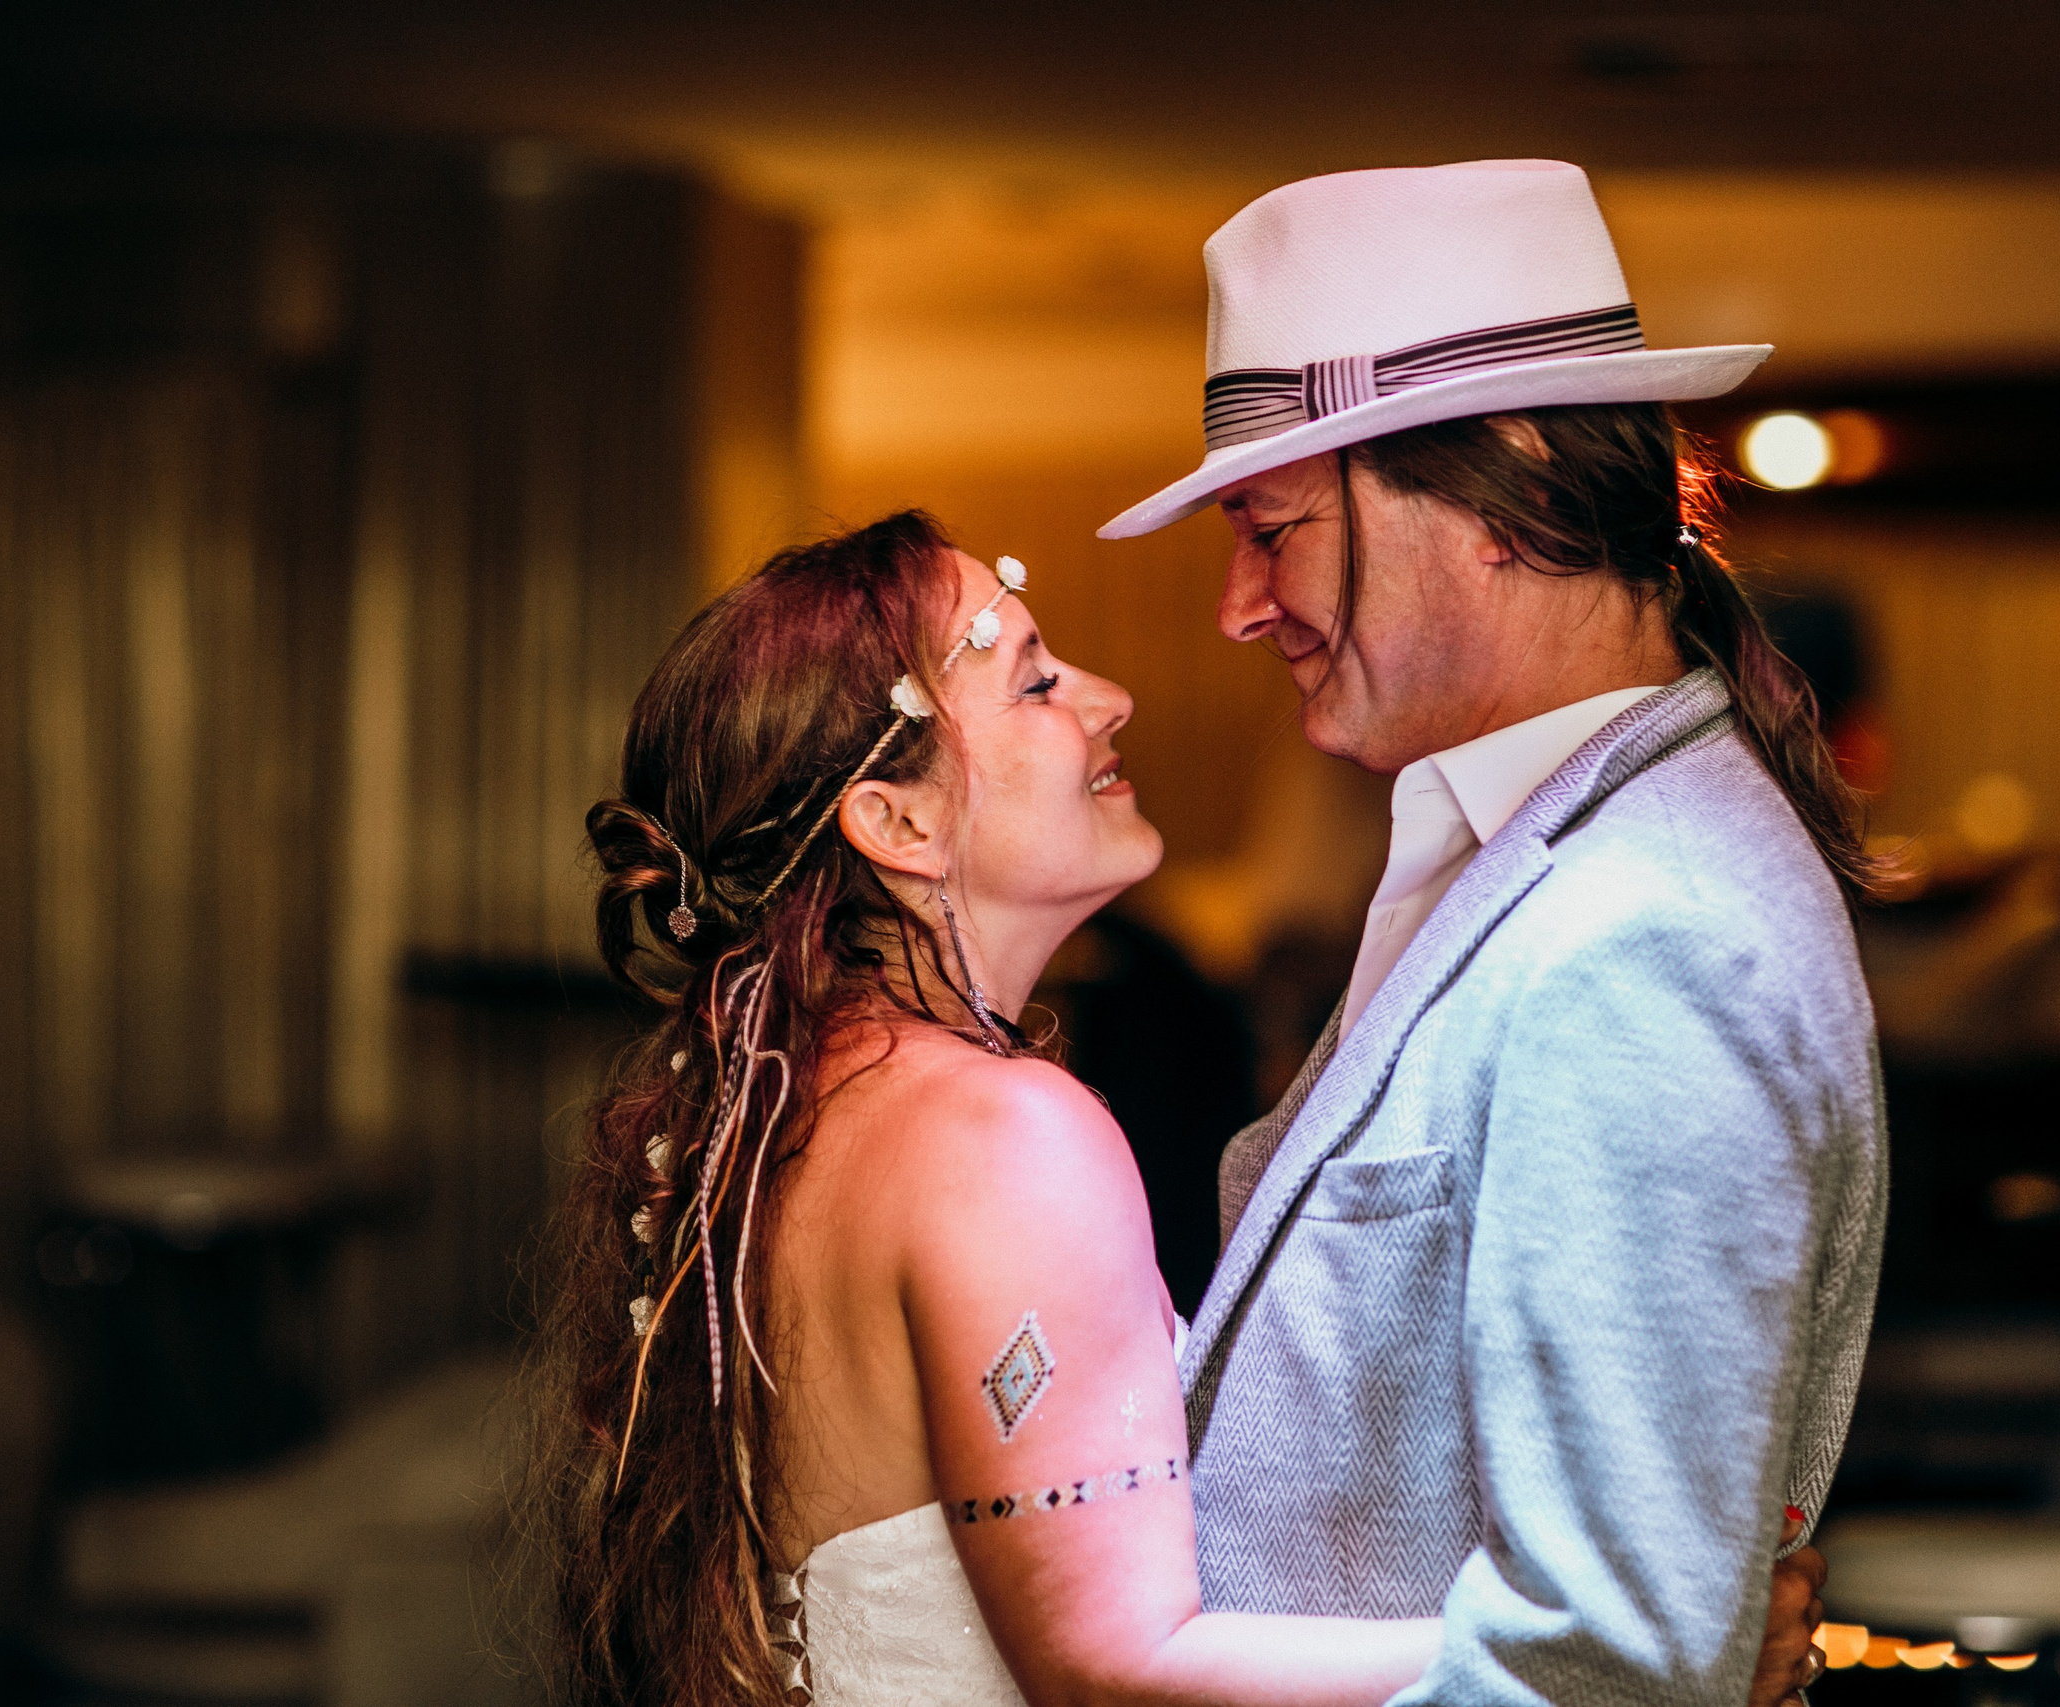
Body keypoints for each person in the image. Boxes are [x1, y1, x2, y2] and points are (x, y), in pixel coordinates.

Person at [525, 509, 1831, 1705]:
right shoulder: (1000, 1137)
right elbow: (1119, 1665)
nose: (1110, 699)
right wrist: (1647, 1657)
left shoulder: (812, 1108)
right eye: (1036, 681)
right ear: (896, 822)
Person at [1095, 159, 1887, 1704]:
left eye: (1271, 528)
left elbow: (1605, 1667)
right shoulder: (1537, 848)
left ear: (1503, 499)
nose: (1238, 604)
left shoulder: (1647, 937)